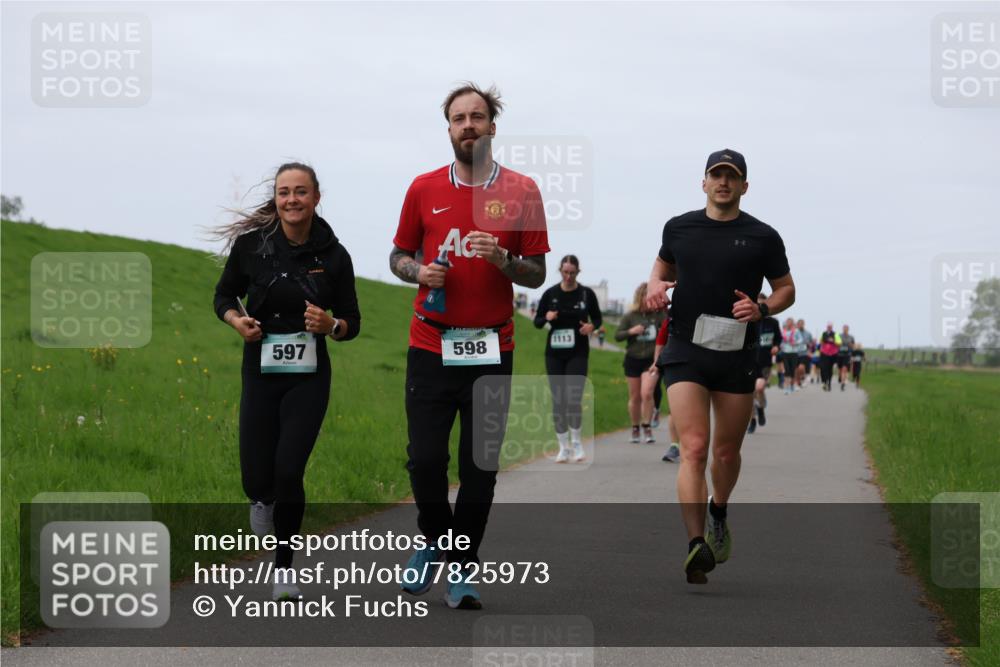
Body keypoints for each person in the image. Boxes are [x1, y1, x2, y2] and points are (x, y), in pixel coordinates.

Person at [388, 83, 549, 610]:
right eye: (458, 118)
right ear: (449, 129)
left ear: (493, 126)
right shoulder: (422, 188)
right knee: (425, 461)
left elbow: (536, 273)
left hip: (491, 348)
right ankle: (436, 540)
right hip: (430, 345)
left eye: (477, 116)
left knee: (479, 467)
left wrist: (503, 260)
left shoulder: (523, 190)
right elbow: (397, 256)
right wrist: (419, 270)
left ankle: (462, 567)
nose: (468, 126)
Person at [212, 162, 361, 601]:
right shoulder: (250, 247)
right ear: (276, 199)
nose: (292, 200)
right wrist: (237, 320)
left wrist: (331, 324)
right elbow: (222, 295)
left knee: (289, 469)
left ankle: (284, 570)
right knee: (258, 477)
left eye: (300, 192)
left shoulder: (335, 255)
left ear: (316, 198)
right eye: (284, 192)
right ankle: (260, 500)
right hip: (260, 367)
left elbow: (352, 321)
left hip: (309, 375)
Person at [645, 149, 794, 584]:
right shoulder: (679, 227)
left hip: (736, 355)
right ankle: (696, 546)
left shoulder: (763, 236)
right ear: (704, 182)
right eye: (716, 175)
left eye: (732, 177)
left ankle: (719, 511)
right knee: (693, 447)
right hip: (686, 348)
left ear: (744, 186)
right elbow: (660, 267)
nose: (723, 183)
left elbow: (786, 289)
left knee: (726, 452)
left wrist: (763, 307)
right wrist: (655, 287)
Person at [534, 254, 602, 463]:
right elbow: (537, 321)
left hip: (578, 351)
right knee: (558, 400)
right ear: (560, 271)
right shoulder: (550, 294)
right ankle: (563, 447)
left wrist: (592, 326)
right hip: (554, 352)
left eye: (572, 273)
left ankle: (577, 443)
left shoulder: (586, 294)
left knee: (573, 398)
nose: (569, 276)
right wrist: (546, 317)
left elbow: (597, 319)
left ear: (578, 272)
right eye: (565, 272)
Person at [615, 283, 667, 444]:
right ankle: (635, 428)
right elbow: (617, 336)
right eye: (647, 296)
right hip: (632, 359)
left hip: (651, 361)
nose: (650, 300)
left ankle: (647, 426)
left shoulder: (659, 315)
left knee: (647, 393)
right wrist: (631, 331)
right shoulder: (630, 316)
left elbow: (666, 334)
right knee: (635, 396)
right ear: (640, 297)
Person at [748, 292, 781, 434]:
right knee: (749, 393)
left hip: (765, 361)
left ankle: (760, 408)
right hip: (749, 361)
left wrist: (776, 346)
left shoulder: (773, 323)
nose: (759, 307)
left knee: (759, 388)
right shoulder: (749, 321)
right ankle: (752, 420)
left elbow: (778, 339)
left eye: (763, 304)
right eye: (757, 304)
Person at [650, 314, 682, 462]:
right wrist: (656, 363)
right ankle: (674, 446)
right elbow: (660, 341)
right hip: (675, 364)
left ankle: (696, 444)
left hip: (703, 365)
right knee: (674, 409)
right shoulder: (671, 317)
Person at [779, 318, 801, 395]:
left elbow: (800, 340)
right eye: (788, 322)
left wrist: (795, 342)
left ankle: (792, 385)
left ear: (792, 323)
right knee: (787, 369)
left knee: (792, 370)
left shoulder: (796, 331)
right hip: (785, 352)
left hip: (794, 352)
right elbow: (780, 341)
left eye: (790, 322)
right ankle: (787, 387)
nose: (789, 324)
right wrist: (780, 346)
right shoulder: (783, 332)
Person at [818, 322, 840, 391]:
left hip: (832, 354)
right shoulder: (823, 333)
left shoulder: (835, 334)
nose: (829, 328)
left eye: (830, 326)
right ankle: (824, 381)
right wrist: (826, 342)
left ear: (832, 327)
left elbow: (839, 342)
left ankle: (829, 383)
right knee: (823, 368)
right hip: (824, 353)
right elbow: (821, 341)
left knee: (829, 369)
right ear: (826, 327)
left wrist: (833, 341)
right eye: (828, 326)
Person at [795, 319, 813, 388]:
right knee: (796, 369)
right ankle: (798, 382)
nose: (800, 325)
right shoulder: (794, 333)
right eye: (799, 324)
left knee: (801, 367)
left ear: (804, 324)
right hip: (795, 353)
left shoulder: (808, 333)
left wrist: (810, 351)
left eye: (802, 324)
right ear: (797, 325)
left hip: (804, 353)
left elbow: (811, 343)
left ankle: (803, 377)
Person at [837, 324, 855, 391]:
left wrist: (851, 345)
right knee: (840, 369)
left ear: (848, 329)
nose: (845, 329)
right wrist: (839, 344)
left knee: (844, 368)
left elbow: (853, 346)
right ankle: (839, 376)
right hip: (839, 354)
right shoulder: (839, 336)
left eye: (846, 328)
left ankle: (843, 383)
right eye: (844, 328)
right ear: (842, 329)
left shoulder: (851, 337)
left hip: (847, 355)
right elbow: (836, 344)